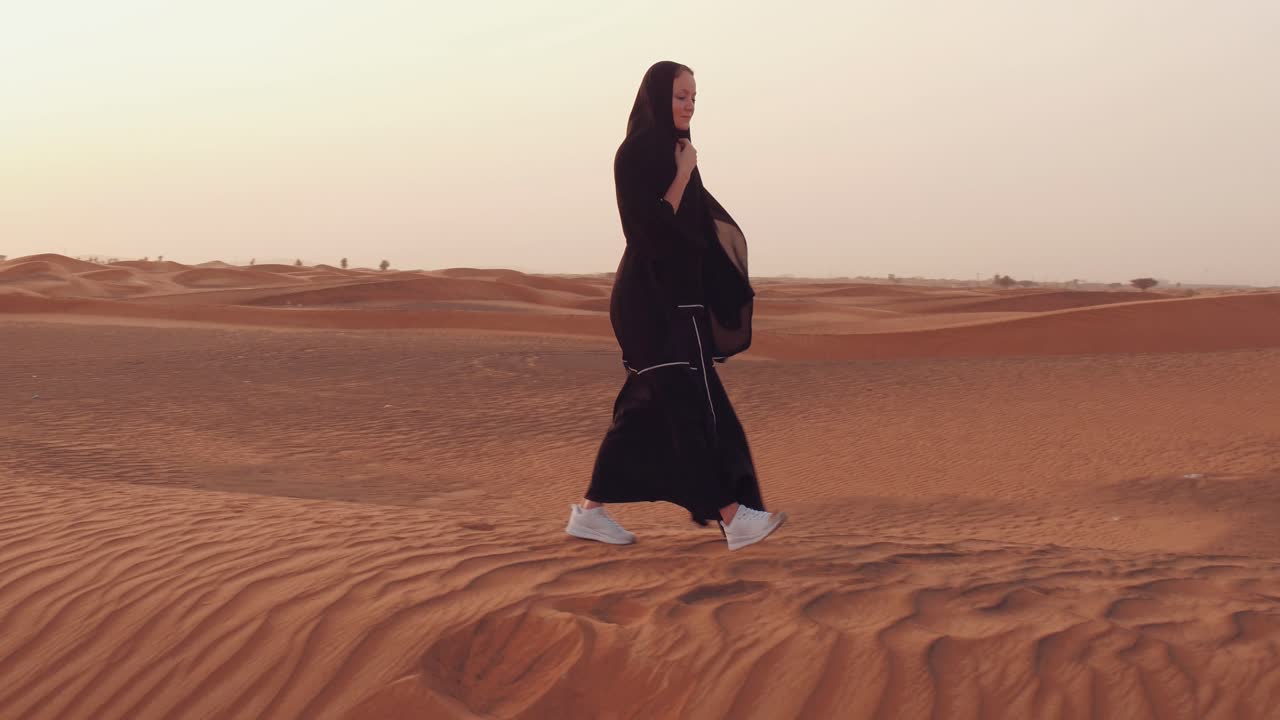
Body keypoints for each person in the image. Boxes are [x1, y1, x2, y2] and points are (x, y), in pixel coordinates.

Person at [566, 61, 786, 551]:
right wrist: (683, 173)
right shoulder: (636, 155)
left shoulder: (677, 151)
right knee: (692, 415)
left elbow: (697, 235)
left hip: (678, 303)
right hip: (650, 303)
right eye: (679, 96)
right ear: (656, 98)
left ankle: (590, 512)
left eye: (693, 97)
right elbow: (649, 233)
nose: (688, 106)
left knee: (645, 415)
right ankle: (733, 516)